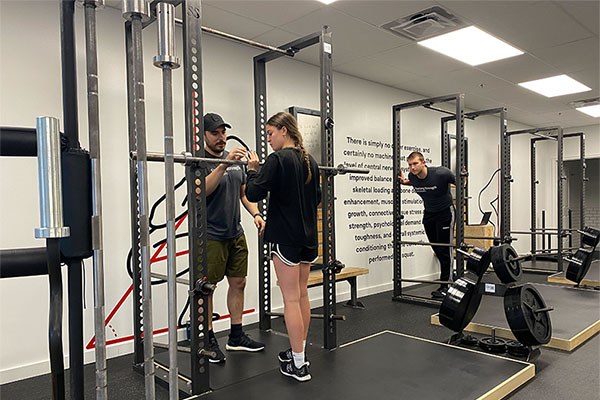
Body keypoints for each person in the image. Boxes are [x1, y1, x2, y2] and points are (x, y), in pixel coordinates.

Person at [245, 112, 321, 382]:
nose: (268, 139)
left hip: (286, 239)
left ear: (284, 131)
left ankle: (299, 365)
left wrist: (253, 169)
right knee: (301, 296)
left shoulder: (277, 159)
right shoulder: (309, 160)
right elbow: (318, 198)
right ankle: (298, 352)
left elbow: (253, 192)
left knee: (291, 299)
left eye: (270, 134)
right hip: (308, 239)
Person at [203, 112, 266, 363]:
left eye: (223, 132)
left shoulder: (237, 164)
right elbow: (201, 191)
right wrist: (223, 164)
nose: (221, 137)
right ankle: (206, 339)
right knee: (206, 290)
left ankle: (236, 336)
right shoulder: (200, 160)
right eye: (215, 133)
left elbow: (244, 194)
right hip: (210, 235)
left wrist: (257, 213)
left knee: (238, 283)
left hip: (235, 233)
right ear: (204, 135)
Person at [398, 151, 456, 299]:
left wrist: (465, 180)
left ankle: (446, 285)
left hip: (445, 213)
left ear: (423, 163)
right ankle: (450, 274)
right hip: (429, 214)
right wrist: (405, 182)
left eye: (415, 163)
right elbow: (417, 182)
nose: (412, 167)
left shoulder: (441, 173)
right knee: (436, 247)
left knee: (445, 248)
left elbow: (460, 183)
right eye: (410, 165)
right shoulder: (412, 177)